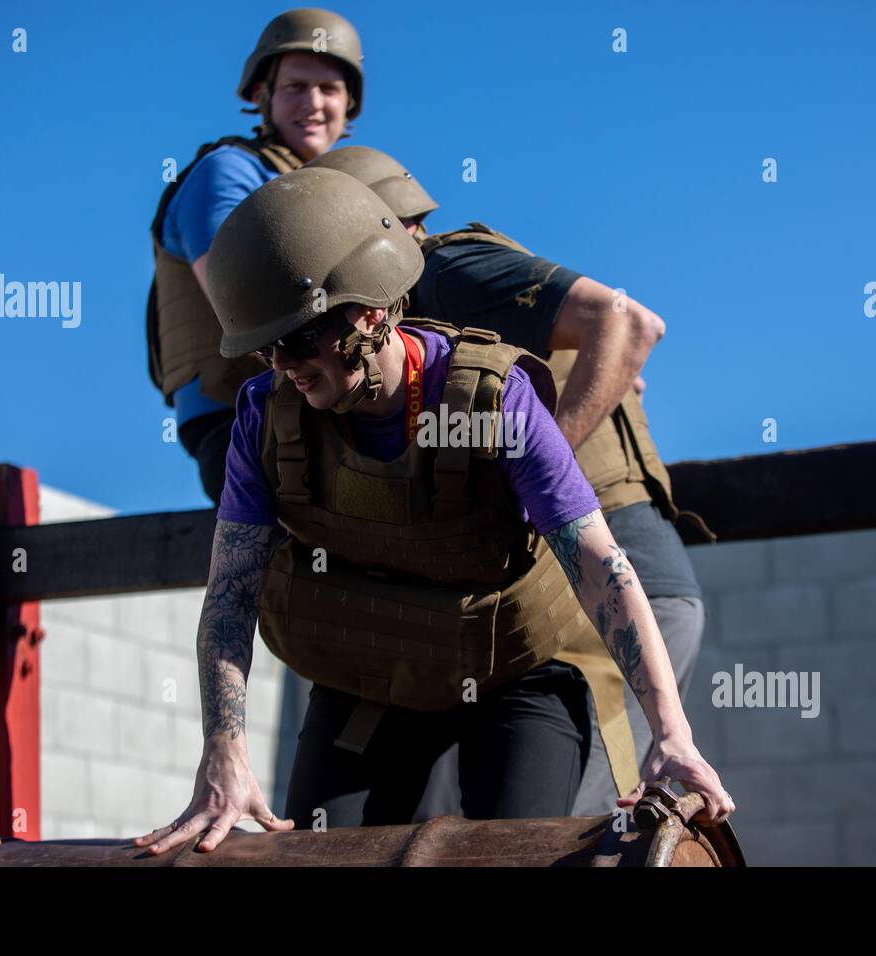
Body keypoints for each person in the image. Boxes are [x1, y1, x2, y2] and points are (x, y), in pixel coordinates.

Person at [132, 168, 733, 854]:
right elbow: (233, 594)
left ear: (371, 310)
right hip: (369, 669)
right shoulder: (263, 418)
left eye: (300, 339)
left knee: (513, 853)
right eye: (267, 347)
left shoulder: (492, 401)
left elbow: (602, 564)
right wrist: (224, 754)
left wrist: (673, 734)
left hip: (511, 669)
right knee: (311, 857)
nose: (285, 364)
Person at [304, 146, 715, 818]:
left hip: (612, 582)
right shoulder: (403, 319)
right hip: (549, 584)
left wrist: (527, 469)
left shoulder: (443, 267)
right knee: (469, 836)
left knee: (574, 843)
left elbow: (629, 323)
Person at [147, 7, 363, 504]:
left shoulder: (341, 189)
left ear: (348, 105)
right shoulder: (226, 173)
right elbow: (246, 299)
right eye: (295, 86)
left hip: (326, 401)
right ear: (261, 96)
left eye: (329, 89)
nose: (312, 102)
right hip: (242, 416)